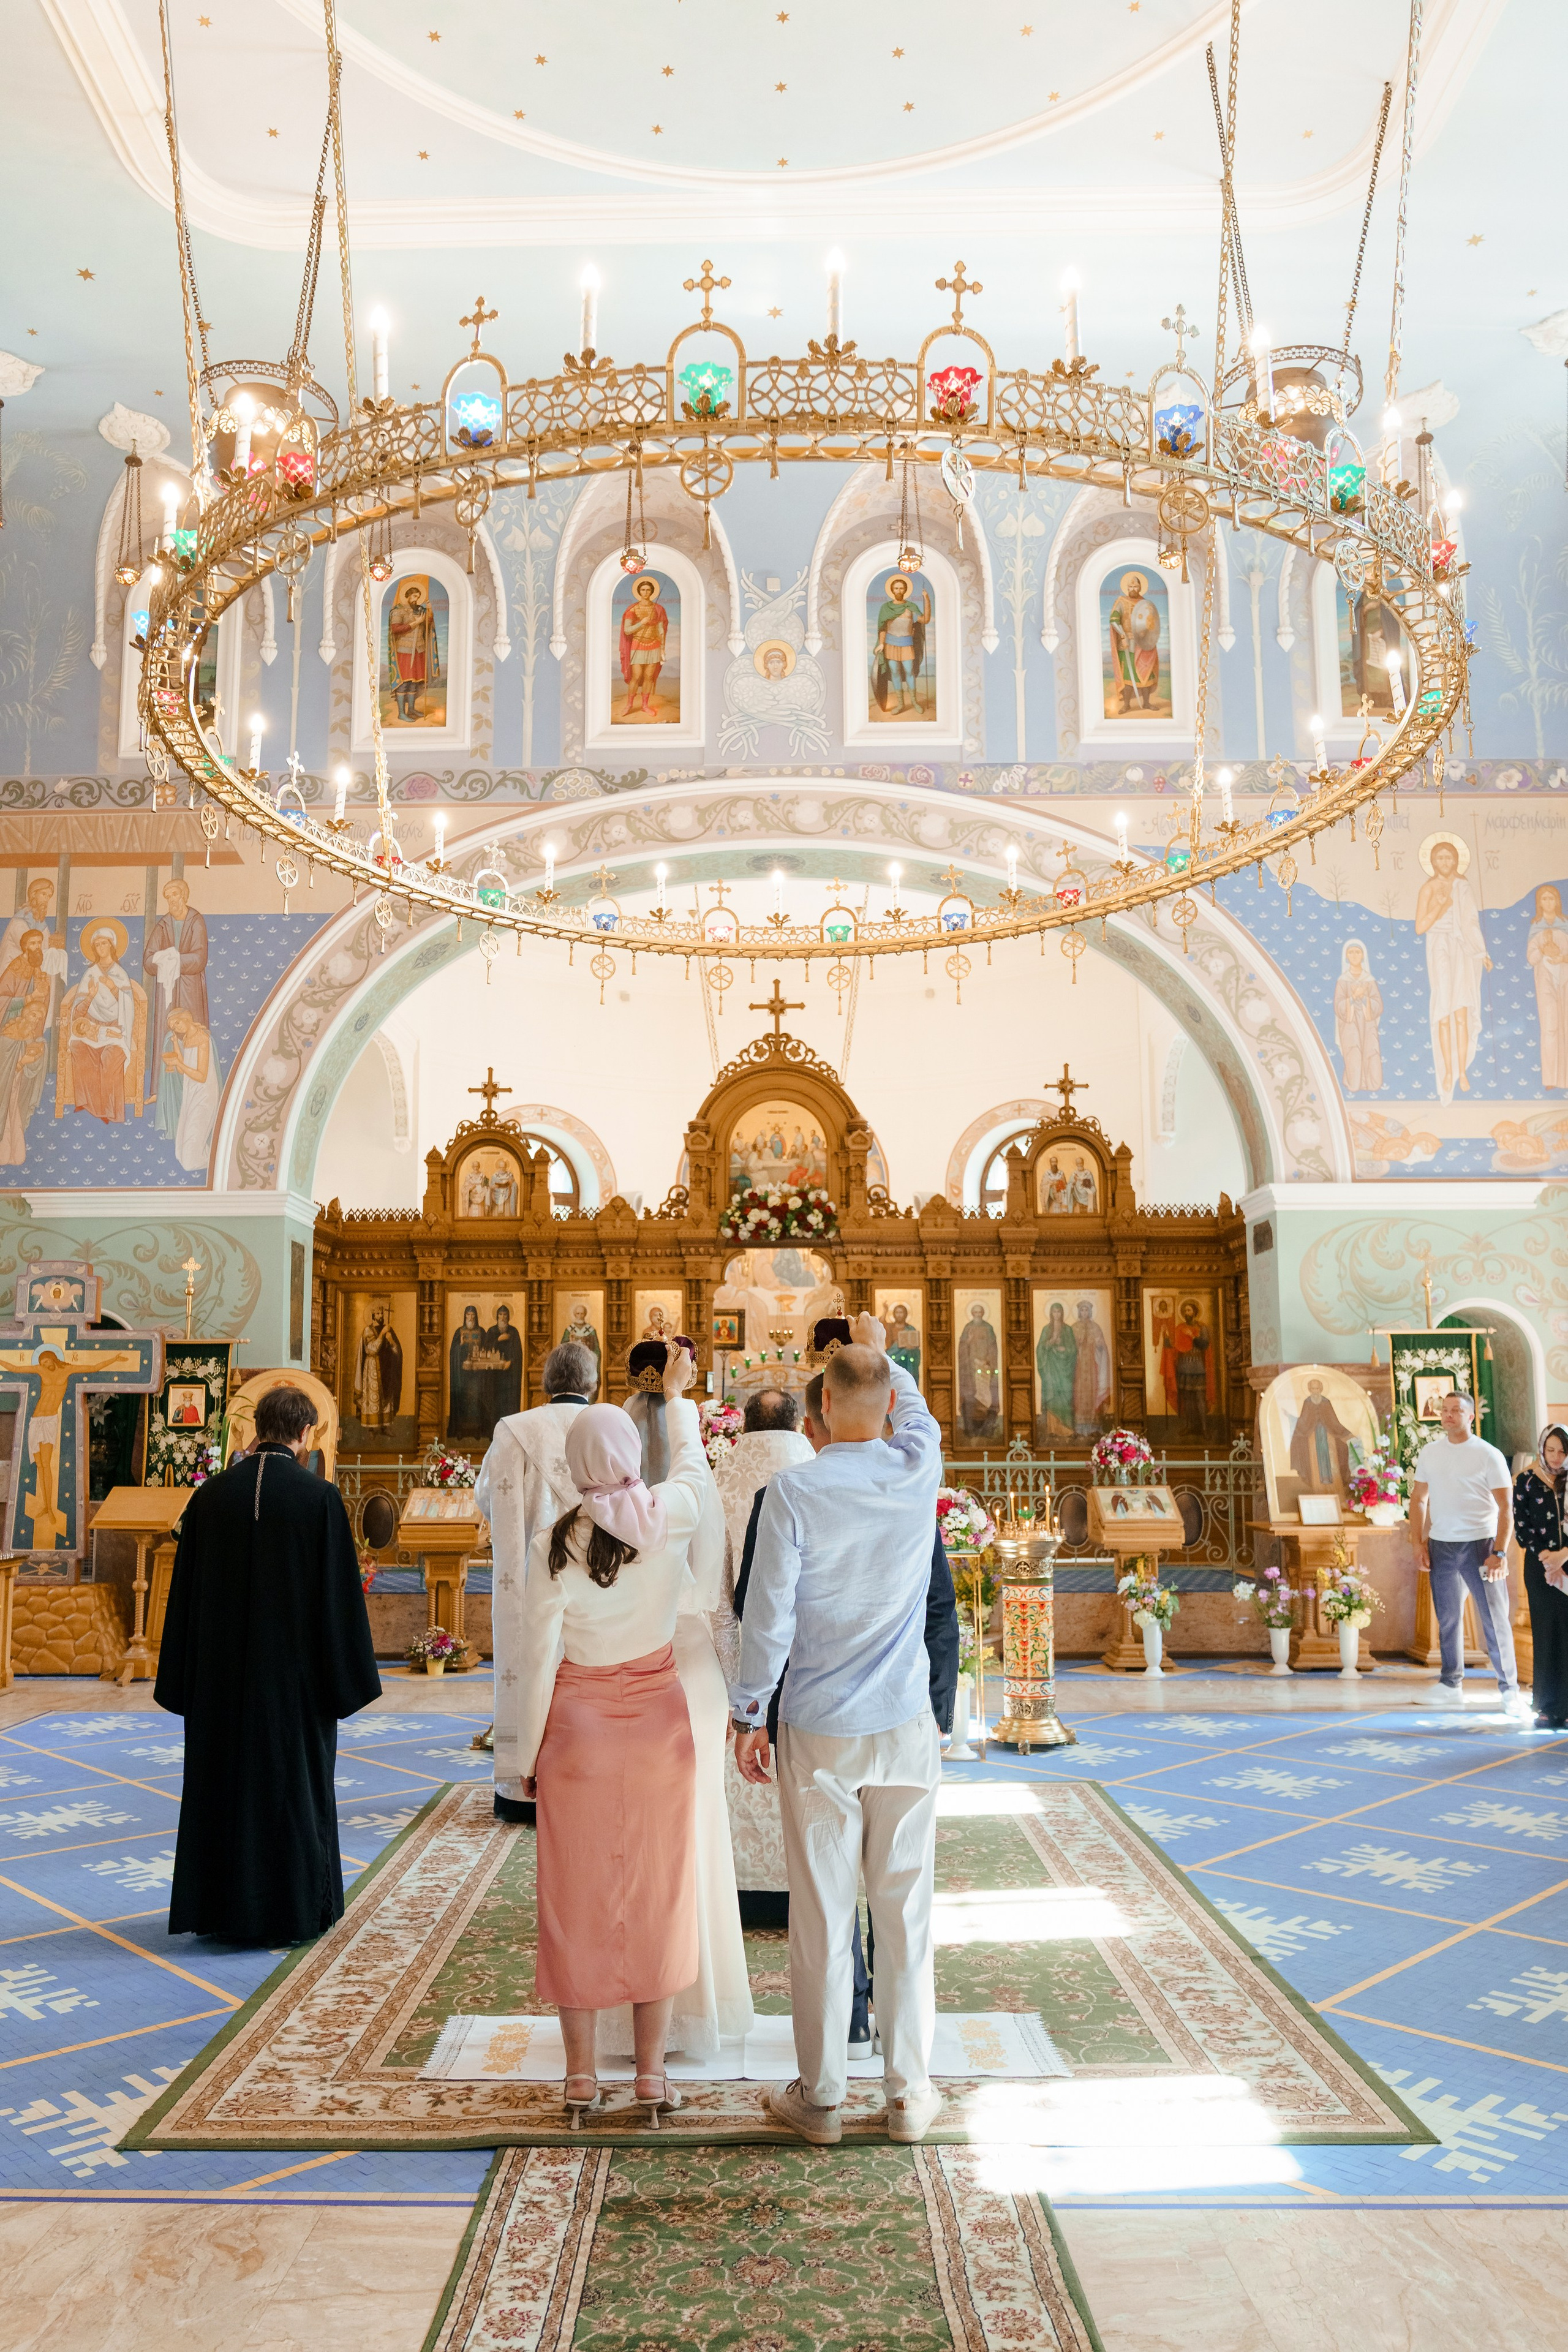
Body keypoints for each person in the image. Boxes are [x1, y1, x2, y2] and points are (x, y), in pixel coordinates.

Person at [732, 1311, 945, 2147]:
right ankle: (909, 2095)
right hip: (903, 1721)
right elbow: (913, 1407)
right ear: (888, 1404)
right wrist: (883, 1351)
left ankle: (821, 2097)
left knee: (821, 1913)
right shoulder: (917, 1463)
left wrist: (750, 1712)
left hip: (819, 1725)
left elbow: (768, 1617)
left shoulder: (794, 1492)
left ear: (819, 1407)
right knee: (905, 1911)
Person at [515, 1342, 707, 2127]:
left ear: (573, 1464)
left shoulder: (551, 1543)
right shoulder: (672, 1513)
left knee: (575, 1898)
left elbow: (536, 1662)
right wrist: (681, 1397)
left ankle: (580, 2078)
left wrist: (525, 1754)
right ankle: (652, 2077)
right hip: (660, 1729)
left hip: (578, 1732)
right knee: (659, 1893)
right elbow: (693, 1465)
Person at [154, 1384, 380, 1944]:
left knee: (221, 1785)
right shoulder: (319, 1499)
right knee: (291, 1789)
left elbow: (183, 1600)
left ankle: (216, 1911)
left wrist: (183, 1677)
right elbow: (338, 1601)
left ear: (257, 1429)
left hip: (219, 1682)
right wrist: (345, 1678)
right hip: (293, 1688)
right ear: (305, 1433)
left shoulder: (210, 1497)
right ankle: (291, 1911)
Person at [619, 1340, 755, 2066]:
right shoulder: (695, 1494)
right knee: (697, 1839)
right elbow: (724, 1610)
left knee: (629, 1846)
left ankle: (627, 2021)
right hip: (695, 1675)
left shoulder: (604, 1503)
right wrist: (740, 1703)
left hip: (623, 1674)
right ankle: (699, 2009)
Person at [475, 1338, 596, 1822]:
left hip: (527, 1581)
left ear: (547, 1382)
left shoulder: (513, 1430)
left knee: (529, 1670)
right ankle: (583, 1783)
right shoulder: (606, 1427)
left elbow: (488, 1497)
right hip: (594, 1586)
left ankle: (519, 1789)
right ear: (592, 1382)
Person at [709, 1387, 816, 1920]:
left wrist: (739, 1686)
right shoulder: (820, 1469)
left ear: (744, 1425)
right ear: (800, 1424)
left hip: (738, 1652)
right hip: (817, 1660)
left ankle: (745, 1889)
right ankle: (807, 1888)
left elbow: (718, 1599)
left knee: (742, 1770)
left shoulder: (717, 1479)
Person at [1409, 1389, 1526, 1714]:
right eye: (1444, 1410)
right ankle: (1451, 1684)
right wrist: (1418, 1542)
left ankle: (1509, 1691)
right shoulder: (1430, 1453)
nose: (1448, 1415)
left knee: (1494, 1620)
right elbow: (1418, 1499)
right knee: (1447, 1619)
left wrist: (1499, 1553)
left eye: (1456, 1410)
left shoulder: (1488, 1455)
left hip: (1481, 1545)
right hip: (1441, 1546)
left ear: (1471, 1416)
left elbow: (1506, 1508)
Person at [1515, 1425, 1568, 1729]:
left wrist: (1563, 1556)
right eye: (1551, 1450)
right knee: (1546, 1636)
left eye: (1562, 1451)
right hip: (1540, 1568)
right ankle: (1546, 1707)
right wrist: (1549, 1560)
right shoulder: (1526, 1481)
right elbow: (1522, 1527)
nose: (1557, 1457)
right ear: (1542, 1450)